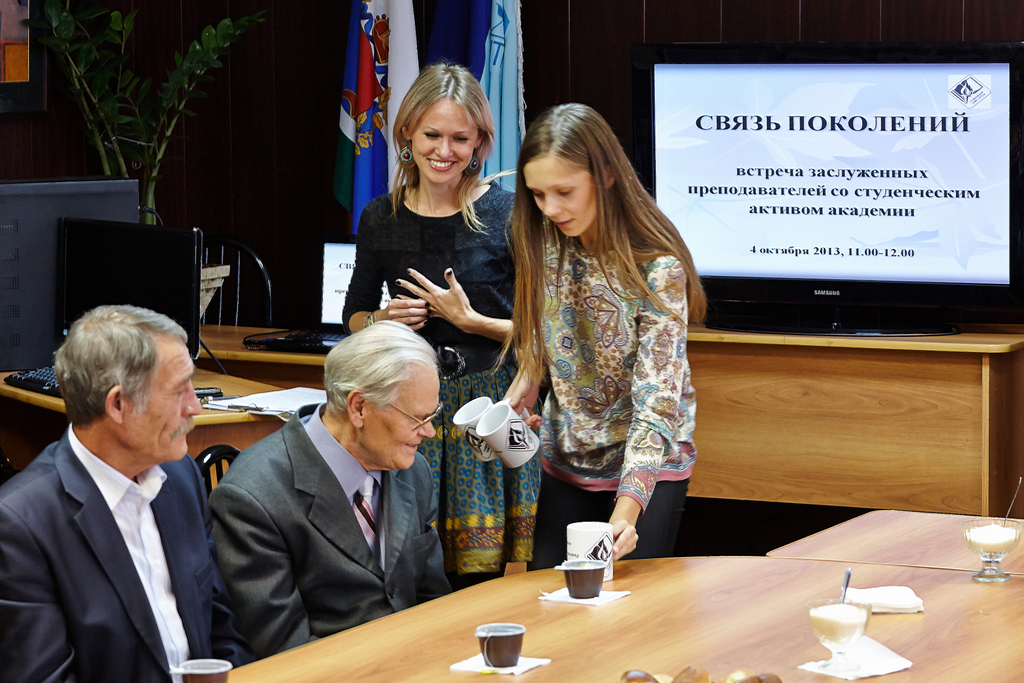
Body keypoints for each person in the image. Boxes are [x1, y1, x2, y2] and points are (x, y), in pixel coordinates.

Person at [342, 62, 540, 581]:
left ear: (479, 144)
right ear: (408, 132)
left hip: (490, 406)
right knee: (411, 568)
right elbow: (353, 316)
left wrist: (471, 321)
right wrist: (383, 320)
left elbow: (546, 333)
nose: (444, 150)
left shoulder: (509, 213)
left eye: (459, 138)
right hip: (409, 410)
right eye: (432, 135)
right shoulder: (380, 216)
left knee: (485, 576)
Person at [0, 305, 253, 683]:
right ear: (118, 405)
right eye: (179, 390)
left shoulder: (180, 477)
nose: (195, 406)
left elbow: (223, 631)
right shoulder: (20, 526)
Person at [503, 103, 708, 568]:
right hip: (567, 459)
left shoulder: (657, 269)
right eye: (537, 194)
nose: (550, 208)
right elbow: (545, 329)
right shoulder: (542, 240)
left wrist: (626, 513)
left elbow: (657, 402)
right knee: (549, 595)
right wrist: (528, 381)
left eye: (564, 192)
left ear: (608, 175)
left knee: (628, 601)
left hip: (646, 468)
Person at [209, 321, 451, 658]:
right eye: (417, 418)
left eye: (432, 415)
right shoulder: (252, 497)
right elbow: (283, 649)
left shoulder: (413, 471)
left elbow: (433, 602)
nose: (430, 432)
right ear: (359, 408)